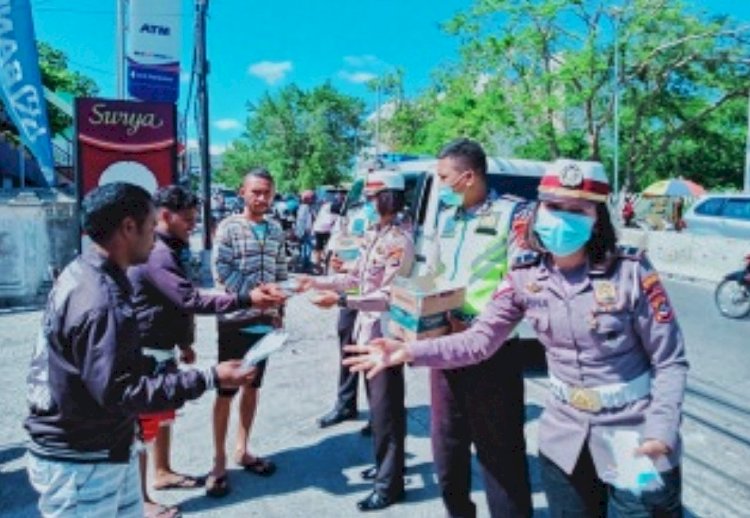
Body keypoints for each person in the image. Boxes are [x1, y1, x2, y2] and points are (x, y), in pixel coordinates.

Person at [346, 159, 689, 517]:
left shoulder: (630, 272)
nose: (562, 218)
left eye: (577, 209)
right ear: (539, 210)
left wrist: (661, 430)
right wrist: (407, 351)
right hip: (565, 437)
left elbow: (670, 361)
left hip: (631, 435)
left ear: (596, 217)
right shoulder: (526, 275)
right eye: (554, 207)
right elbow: (479, 341)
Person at [25, 183, 255, 518]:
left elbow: (99, 368)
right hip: (82, 460)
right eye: (151, 227)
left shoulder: (86, 271)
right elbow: (122, 392)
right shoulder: (100, 300)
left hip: (102, 448)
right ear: (128, 228)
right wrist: (210, 377)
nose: (155, 237)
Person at [128, 185, 285, 516]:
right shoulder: (159, 252)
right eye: (187, 219)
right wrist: (247, 298)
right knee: (142, 428)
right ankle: (141, 500)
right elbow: (190, 298)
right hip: (147, 347)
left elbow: (174, 303)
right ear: (165, 215)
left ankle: (162, 472)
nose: (192, 225)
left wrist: (184, 341)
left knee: (163, 413)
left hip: (165, 343)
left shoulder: (174, 246)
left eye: (194, 219)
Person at [418, 138, 533, 518]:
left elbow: (520, 286)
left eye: (443, 177)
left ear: (467, 177)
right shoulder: (447, 219)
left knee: (500, 458)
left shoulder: (514, 216)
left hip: (494, 352)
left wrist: (476, 326)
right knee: (446, 452)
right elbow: (431, 274)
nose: (440, 185)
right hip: (445, 345)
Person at [299, 171, 414, 511]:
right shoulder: (376, 235)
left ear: (387, 198)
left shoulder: (399, 240)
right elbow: (356, 279)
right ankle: (387, 469)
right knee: (380, 412)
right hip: (367, 330)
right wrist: (322, 283)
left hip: (386, 336)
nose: (366, 205)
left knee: (386, 412)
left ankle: (389, 484)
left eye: (371, 198)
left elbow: (388, 295)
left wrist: (340, 301)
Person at [208, 168, 290, 497]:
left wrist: (279, 308)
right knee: (226, 389)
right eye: (255, 192)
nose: (261, 198)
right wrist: (253, 296)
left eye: (267, 192)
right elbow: (221, 269)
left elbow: (281, 270)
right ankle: (218, 461)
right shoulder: (228, 228)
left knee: (253, 385)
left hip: (265, 322)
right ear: (242, 192)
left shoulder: (276, 229)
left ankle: (242, 449)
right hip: (234, 319)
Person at [295, 190, 316, 272]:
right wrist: (302, 231)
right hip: (305, 231)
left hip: (306, 231)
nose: (313, 200)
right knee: (306, 249)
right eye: (312, 198)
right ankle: (305, 266)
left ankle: (305, 265)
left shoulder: (305, 207)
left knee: (306, 248)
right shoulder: (305, 208)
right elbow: (302, 221)